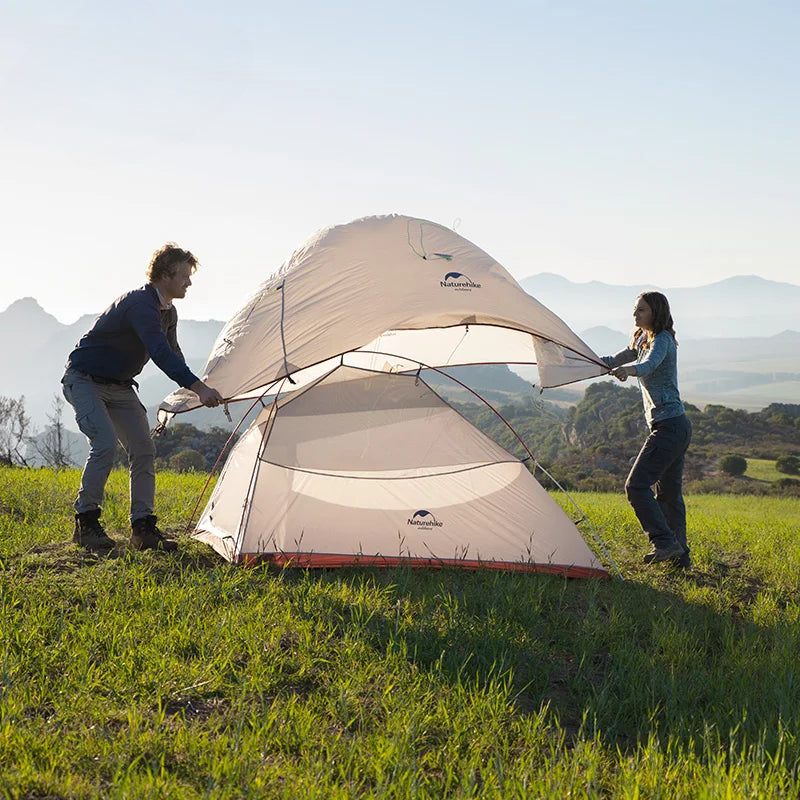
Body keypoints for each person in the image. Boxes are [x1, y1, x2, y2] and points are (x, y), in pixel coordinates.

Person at [61, 243, 224, 552]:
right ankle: (86, 521)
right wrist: (199, 388)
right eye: (185, 276)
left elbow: (174, 352)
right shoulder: (140, 304)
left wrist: (196, 387)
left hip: (121, 386)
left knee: (143, 449)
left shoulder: (168, 312)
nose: (189, 283)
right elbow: (160, 352)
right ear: (165, 275)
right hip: (84, 380)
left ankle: (143, 529)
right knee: (105, 444)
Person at [603, 291, 692, 568]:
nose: (635, 314)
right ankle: (680, 560)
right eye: (635, 309)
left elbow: (649, 365)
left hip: (670, 427)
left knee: (636, 486)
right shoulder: (642, 338)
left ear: (655, 312)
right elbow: (614, 359)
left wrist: (629, 372)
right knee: (668, 497)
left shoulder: (663, 340)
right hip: (673, 426)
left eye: (640, 310)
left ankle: (664, 542)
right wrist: (579, 361)